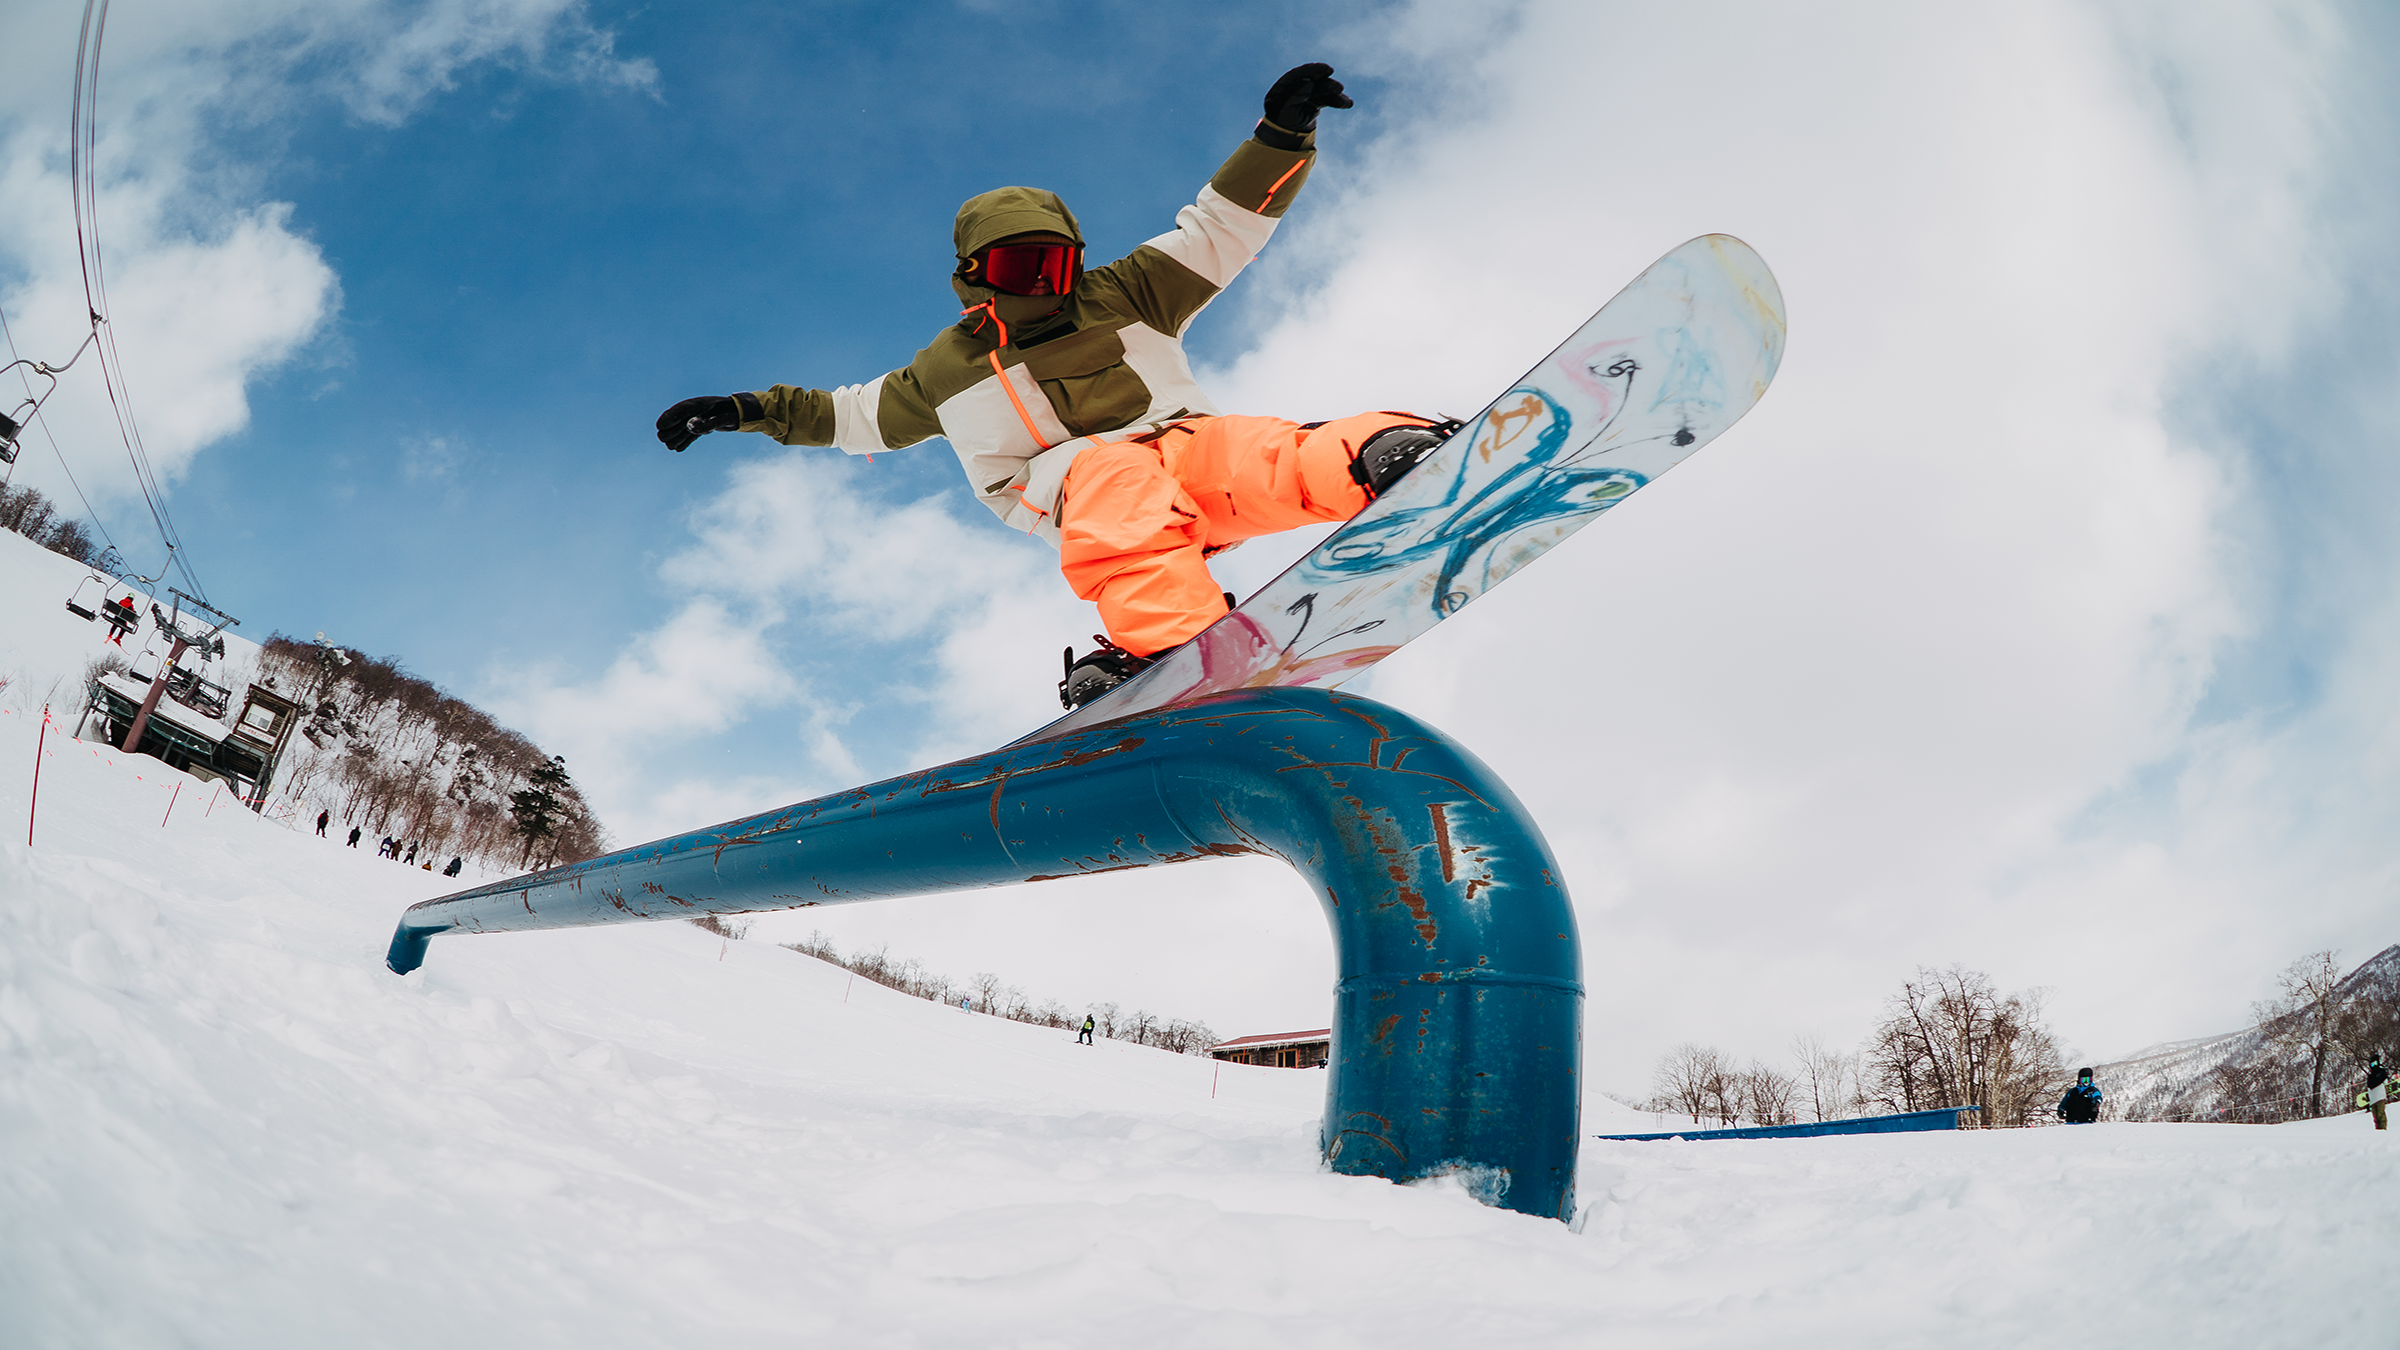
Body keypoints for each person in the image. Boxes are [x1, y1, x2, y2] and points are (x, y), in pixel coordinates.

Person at [656, 63, 1456, 708]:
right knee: (1109, 478)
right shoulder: (945, 368)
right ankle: (1172, 641)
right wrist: (745, 410)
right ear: (973, 277)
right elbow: (850, 416)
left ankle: (1377, 456)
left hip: (1184, 456)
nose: (1044, 284)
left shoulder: (1126, 292)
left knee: (1251, 448)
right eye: (1019, 268)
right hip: (1068, 492)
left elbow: (1219, 229)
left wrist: (1282, 137)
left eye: (1057, 264)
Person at [2364, 1050, 2390, 1131]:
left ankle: (2382, 1130)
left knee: (2380, 1114)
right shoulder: (2370, 1075)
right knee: (2375, 1116)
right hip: (2373, 1098)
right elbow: (2369, 1086)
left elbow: (2385, 1081)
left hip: (2380, 1095)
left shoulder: (2381, 1071)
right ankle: (2378, 1130)